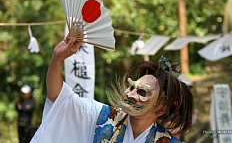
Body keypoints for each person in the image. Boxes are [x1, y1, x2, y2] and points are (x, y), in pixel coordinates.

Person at [31, 33, 193, 143]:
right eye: (131, 87)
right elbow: (59, 98)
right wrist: (57, 59)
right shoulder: (102, 117)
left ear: (161, 108)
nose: (130, 94)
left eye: (142, 92)